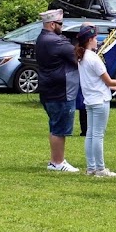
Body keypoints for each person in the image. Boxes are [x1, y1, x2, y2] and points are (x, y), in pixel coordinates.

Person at [35, 9, 79, 173]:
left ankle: (57, 160)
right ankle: (57, 162)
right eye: (60, 24)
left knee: (56, 126)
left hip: (50, 89)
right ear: (52, 24)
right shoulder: (55, 41)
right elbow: (77, 57)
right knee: (59, 128)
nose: (63, 27)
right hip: (60, 91)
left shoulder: (43, 38)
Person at [75, 26, 116, 177]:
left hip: (90, 99)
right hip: (100, 99)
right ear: (89, 40)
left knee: (91, 134)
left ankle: (91, 167)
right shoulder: (93, 58)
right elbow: (108, 81)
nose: (97, 41)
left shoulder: (82, 57)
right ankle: (100, 168)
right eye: (95, 38)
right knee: (98, 135)